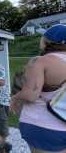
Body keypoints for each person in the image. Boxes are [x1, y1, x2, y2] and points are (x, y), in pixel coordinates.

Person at [11, 24, 66, 153]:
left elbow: (31, 95)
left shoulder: (41, 61)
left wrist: (14, 97)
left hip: (42, 126)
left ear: (47, 41)